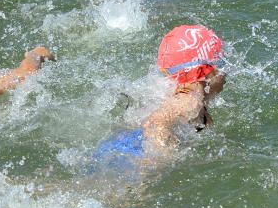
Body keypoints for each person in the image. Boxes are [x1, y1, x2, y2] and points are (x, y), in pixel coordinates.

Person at [93, 24, 225, 169]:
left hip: (124, 143)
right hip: (131, 154)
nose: (224, 74)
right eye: (220, 64)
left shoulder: (180, 90)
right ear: (204, 71)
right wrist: (159, 163)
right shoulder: (190, 101)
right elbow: (155, 123)